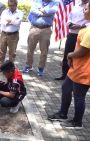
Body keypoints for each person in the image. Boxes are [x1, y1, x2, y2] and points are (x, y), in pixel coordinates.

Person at [48, 1, 90, 129]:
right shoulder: (87, 28)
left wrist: (70, 55)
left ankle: (77, 122)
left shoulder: (89, 31)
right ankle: (63, 113)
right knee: (66, 88)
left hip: (84, 69)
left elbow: (83, 51)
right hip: (76, 67)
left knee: (79, 96)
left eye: (87, 9)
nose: (84, 10)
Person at [22, 0, 59, 76]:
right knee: (30, 49)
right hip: (34, 28)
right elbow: (32, 10)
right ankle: (28, 66)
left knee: (44, 51)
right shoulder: (37, 1)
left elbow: (53, 10)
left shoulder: (54, 3)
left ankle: (41, 68)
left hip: (46, 29)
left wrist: (42, 10)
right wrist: (43, 13)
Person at [55, 0, 89, 80]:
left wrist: (80, 26)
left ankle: (75, 75)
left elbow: (87, 24)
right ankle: (65, 74)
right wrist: (70, 24)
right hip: (71, 34)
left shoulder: (88, 6)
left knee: (78, 55)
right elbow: (69, 19)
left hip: (83, 35)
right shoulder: (76, 6)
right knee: (67, 54)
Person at [0, 0, 23, 68]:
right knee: (1, 52)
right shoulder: (4, 12)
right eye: (9, 5)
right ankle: (0, 67)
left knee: (12, 53)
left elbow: (18, 23)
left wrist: (9, 20)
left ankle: (10, 68)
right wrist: (13, 20)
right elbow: (2, 22)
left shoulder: (20, 13)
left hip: (13, 35)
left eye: (12, 5)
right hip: (4, 34)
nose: (10, 7)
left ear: (16, 5)